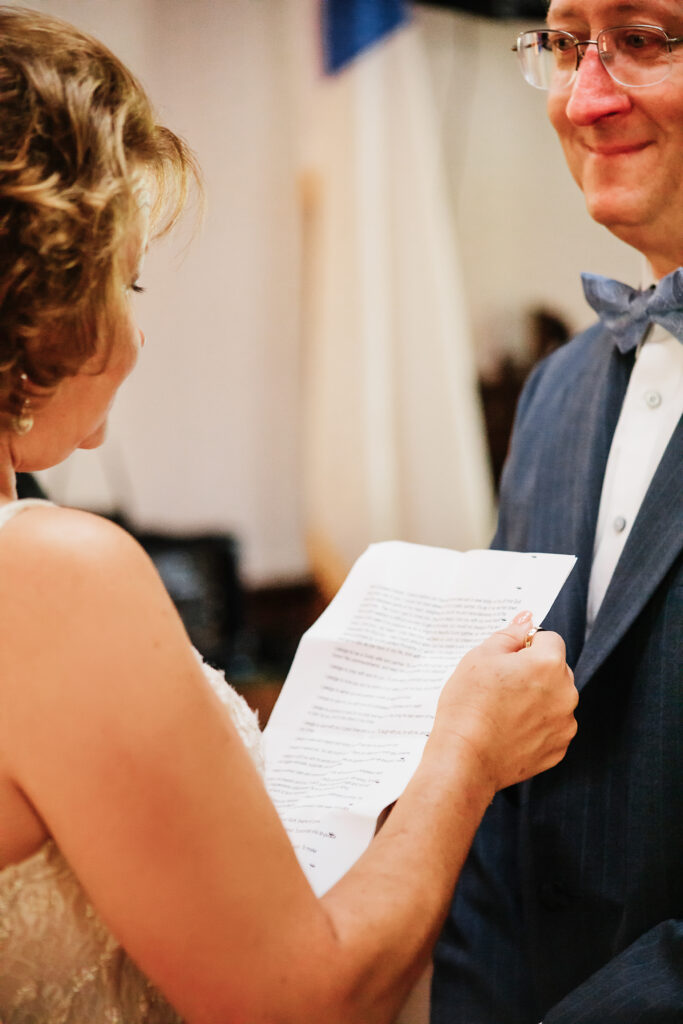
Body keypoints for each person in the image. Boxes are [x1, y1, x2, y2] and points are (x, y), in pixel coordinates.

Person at [0, 7, 579, 1023]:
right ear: (45, 293)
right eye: (124, 279)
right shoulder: (50, 574)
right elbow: (299, 1002)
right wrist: (464, 752)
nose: (135, 332)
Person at [431, 1, 683, 1022]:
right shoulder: (555, 391)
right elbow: (506, 784)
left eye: (641, 39)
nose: (582, 98)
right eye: (566, 43)